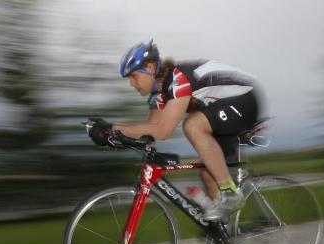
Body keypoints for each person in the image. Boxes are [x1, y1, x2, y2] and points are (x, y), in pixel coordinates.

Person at [89, 39, 263, 221]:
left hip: (245, 99)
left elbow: (163, 131)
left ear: (149, 68)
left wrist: (112, 128)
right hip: (222, 109)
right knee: (209, 174)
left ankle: (231, 194)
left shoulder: (178, 79)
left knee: (193, 125)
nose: (132, 84)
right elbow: (151, 132)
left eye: (133, 77)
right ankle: (224, 237)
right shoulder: (158, 95)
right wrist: (112, 135)